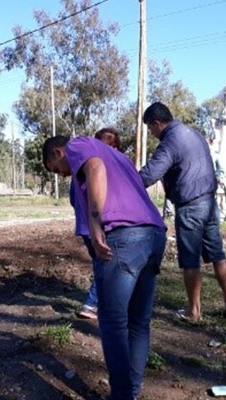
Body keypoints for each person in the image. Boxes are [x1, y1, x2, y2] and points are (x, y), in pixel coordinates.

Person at [43, 135, 166, 400]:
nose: (63, 175)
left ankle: (122, 396)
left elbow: (96, 168)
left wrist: (97, 222)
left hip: (124, 237)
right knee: (138, 322)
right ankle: (130, 391)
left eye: (56, 169)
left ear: (57, 152)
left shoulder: (77, 145)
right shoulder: (119, 156)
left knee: (112, 322)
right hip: (154, 234)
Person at [139, 102, 226, 322]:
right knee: (217, 253)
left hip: (191, 205)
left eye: (151, 129)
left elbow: (150, 174)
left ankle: (194, 311)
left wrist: (127, 182)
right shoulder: (192, 133)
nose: (153, 134)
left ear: (157, 123)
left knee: (190, 260)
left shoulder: (170, 141)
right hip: (210, 203)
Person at [74, 127, 122, 320]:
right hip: (97, 227)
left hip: (84, 226)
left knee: (101, 264)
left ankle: (99, 302)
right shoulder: (99, 169)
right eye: (110, 146)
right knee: (104, 265)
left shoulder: (80, 165)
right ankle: (91, 304)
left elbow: (73, 199)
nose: (111, 150)